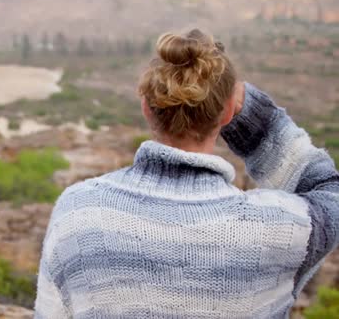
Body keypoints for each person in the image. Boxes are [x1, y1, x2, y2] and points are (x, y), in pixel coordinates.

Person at [34, 28, 339, 318]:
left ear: (145, 106)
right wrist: (255, 118)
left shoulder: (78, 212)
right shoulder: (280, 228)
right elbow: (328, 191)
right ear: (230, 112)